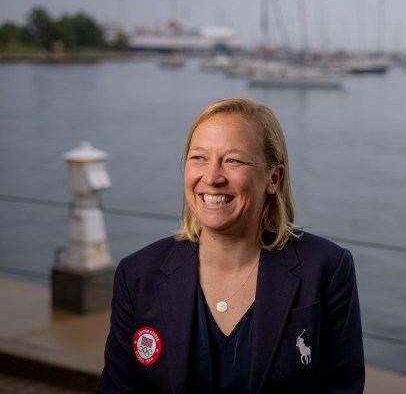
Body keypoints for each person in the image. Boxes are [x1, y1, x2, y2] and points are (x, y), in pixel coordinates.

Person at [97, 97, 365, 394]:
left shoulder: (327, 269)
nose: (211, 177)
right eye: (198, 158)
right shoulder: (137, 275)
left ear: (273, 178)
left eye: (233, 160)